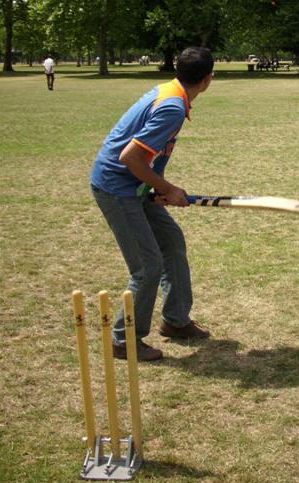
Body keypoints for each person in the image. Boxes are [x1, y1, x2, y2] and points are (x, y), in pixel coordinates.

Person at [90, 47, 215, 361]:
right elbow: (129, 157)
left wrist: (154, 189)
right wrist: (169, 188)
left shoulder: (169, 92)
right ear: (208, 79)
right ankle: (124, 341)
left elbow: (146, 157)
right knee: (147, 267)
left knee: (171, 242)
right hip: (116, 187)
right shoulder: (171, 105)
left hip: (136, 185)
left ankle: (175, 321)